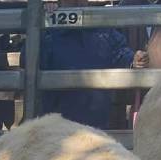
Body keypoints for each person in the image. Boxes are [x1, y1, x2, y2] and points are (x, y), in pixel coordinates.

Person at [39, 0, 147, 130]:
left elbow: (120, 53)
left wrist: (134, 60)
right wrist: (43, 18)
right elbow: (29, 58)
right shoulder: (49, 27)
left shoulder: (100, 28)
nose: (78, 3)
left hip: (95, 123)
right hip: (58, 125)